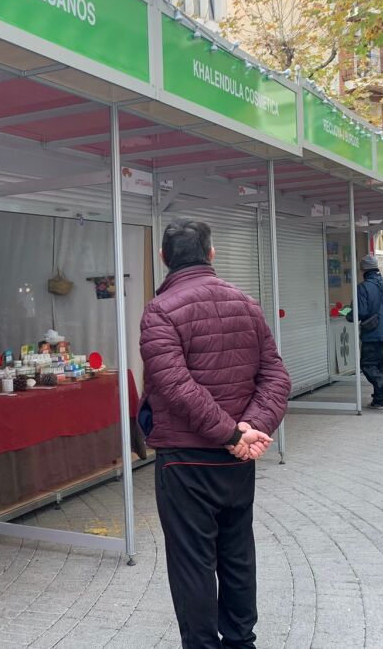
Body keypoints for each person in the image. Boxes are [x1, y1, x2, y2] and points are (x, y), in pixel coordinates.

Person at [140, 218, 291, 649]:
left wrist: (234, 434)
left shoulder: (160, 310)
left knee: (193, 562)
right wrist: (250, 429)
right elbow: (276, 375)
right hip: (236, 459)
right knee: (237, 554)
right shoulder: (246, 303)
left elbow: (174, 385)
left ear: (164, 258)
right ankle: (241, 641)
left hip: (186, 459)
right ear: (211, 253)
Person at [351, 254, 383, 412]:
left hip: (373, 333)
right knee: (379, 367)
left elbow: (362, 311)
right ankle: (379, 400)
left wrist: (349, 314)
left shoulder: (363, 287)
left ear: (363, 270)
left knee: (367, 365)